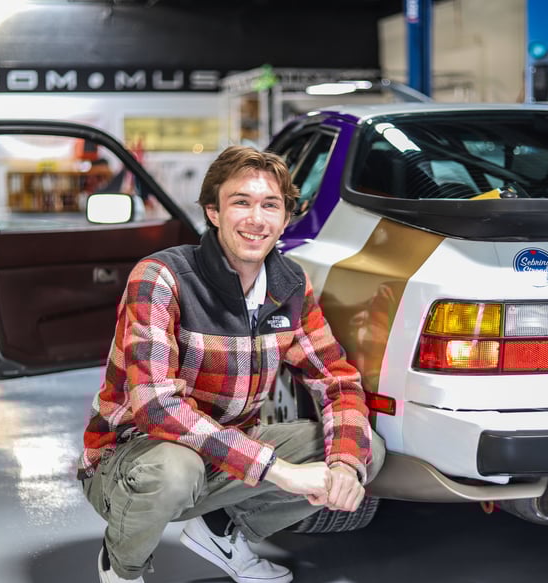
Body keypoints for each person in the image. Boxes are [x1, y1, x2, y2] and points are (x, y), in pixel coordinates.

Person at [78, 145, 386, 583]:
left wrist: (343, 466)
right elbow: (156, 408)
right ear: (214, 212)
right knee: (174, 470)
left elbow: (337, 379)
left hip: (226, 452)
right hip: (131, 455)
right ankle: (121, 566)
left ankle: (220, 531)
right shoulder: (161, 277)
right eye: (241, 202)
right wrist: (280, 471)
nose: (256, 219)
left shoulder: (290, 284)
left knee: (366, 449)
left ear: (285, 218)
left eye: (270, 205)